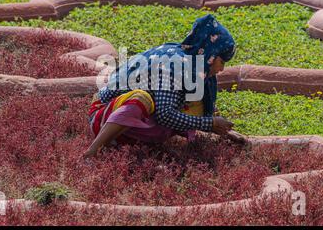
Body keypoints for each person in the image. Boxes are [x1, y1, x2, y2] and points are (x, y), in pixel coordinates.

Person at [84, 14, 246, 159]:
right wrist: (210, 124)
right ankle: (93, 151)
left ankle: (137, 145)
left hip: (127, 123)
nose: (222, 69)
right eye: (222, 61)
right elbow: (165, 115)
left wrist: (223, 131)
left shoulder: (195, 65)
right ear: (211, 54)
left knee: (195, 103)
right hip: (102, 117)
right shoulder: (174, 65)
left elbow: (196, 111)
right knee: (143, 98)